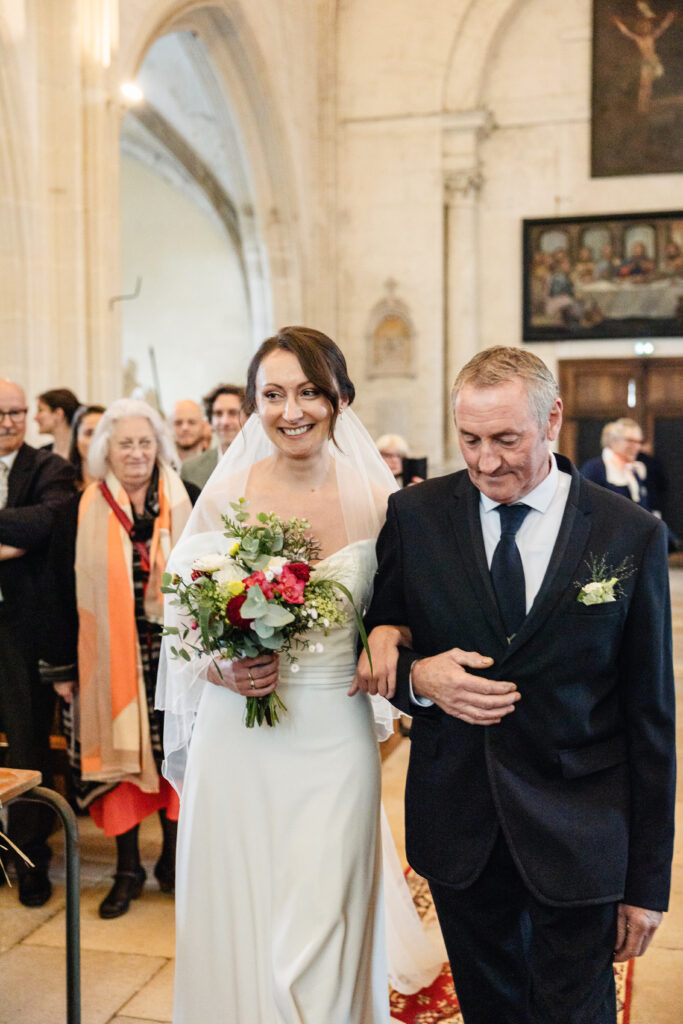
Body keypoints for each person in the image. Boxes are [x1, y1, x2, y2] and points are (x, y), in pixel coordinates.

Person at [355, 346, 675, 1024]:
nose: (485, 461)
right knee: (490, 1009)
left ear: (551, 419)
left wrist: (646, 885)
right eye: (468, 439)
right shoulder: (415, 516)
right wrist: (417, 677)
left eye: (506, 439)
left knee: (574, 1012)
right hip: (459, 825)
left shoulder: (629, 534)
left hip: (581, 830)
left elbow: (650, 718)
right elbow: (384, 641)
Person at [157, 327, 442, 1023]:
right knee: (241, 898)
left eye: (309, 391)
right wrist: (220, 665)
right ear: (253, 405)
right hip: (239, 735)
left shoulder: (381, 502)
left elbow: (409, 605)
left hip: (332, 729)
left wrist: (387, 631)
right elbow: (181, 618)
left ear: (339, 397)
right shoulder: (225, 496)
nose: (292, 410)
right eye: (273, 394)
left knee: (326, 908)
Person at [54, 399, 192, 918]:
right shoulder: (78, 510)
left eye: (145, 442)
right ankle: (128, 867)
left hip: (175, 660)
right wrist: (63, 671)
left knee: (177, 759)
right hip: (105, 663)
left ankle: (175, 864)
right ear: (103, 450)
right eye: (125, 443)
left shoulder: (189, 501)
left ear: (160, 447)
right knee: (120, 767)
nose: (136, 453)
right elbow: (56, 596)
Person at [0, 378, 76, 906]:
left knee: (27, 746)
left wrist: (23, 538)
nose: (8, 421)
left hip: (23, 631)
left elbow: (47, 521)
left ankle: (30, 858)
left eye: (17, 412)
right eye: (0, 412)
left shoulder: (50, 467)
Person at [180, 383, 245, 490]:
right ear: (211, 421)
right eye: (218, 414)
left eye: (233, 413)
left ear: (248, 417)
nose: (225, 421)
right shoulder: (190, 469)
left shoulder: (266, 462)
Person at [581, 418, 649, 508]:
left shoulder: (632, 472)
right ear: (614, 441)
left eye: (638, 442)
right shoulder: (594, 468)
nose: (636, 447)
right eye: (630, 441)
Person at [34, 388, 81, 460]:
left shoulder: (82, 453)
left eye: (40, 410)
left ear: (58, 414)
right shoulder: (42, 454)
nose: (35, 418)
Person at [68, 404, 105, 491]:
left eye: (102, 432)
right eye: (89, 433)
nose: (96, 440)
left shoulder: (124, 485)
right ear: (76, 439)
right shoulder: (62, 483)